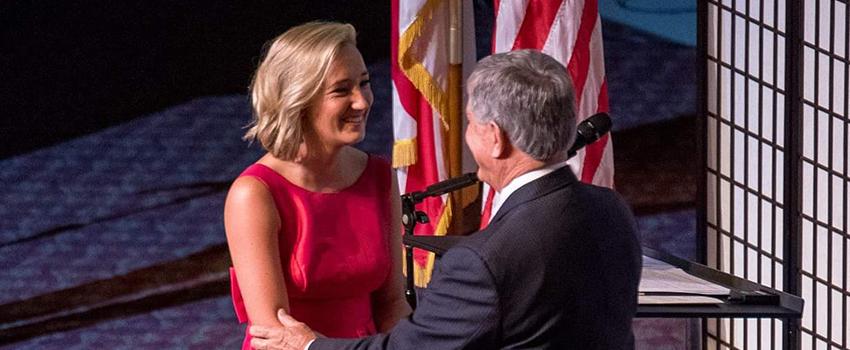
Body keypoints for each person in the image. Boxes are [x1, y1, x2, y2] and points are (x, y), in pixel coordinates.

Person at [248, 49, 643, 350]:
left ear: (495, 138)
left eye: (470, 124)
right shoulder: (611, 210)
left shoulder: (483, 260)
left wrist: (309, 346)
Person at [223, 21, 410, 350]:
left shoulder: (379, 176)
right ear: (299, 99)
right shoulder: (254, 194)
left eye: (364, 84)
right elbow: (277, 337)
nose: (363, 102)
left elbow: (393, 304)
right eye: (342, 90)